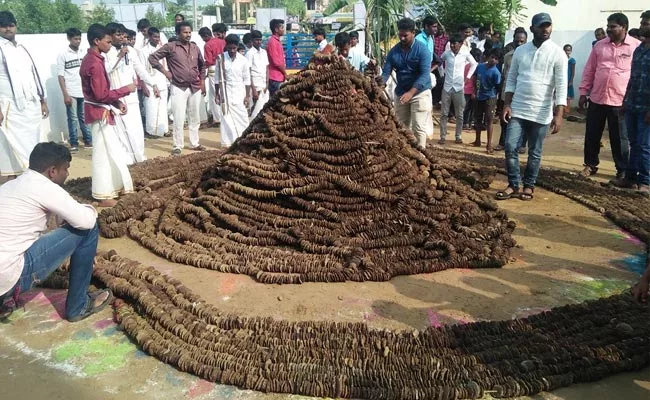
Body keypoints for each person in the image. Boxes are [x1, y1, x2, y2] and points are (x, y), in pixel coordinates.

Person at [0, 142, 112, 322]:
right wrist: (89, 210)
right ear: (52, 171)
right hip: (7, 275)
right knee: (89, 229)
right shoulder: (45, 187)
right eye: (65, 169)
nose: (67, 174)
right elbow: (86, 220)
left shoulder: (11, 186)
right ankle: (78, 306)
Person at [497, 13, 567, 202]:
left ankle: (529, 186)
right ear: (532, 29)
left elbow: (561, 86)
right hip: (518, 108)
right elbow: (511, 79)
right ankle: (513, 184)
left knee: (534, 152)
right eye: (541, 26)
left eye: (548, 26)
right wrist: (507, 104)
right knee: (510, 146)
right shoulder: (521, 51)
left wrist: (558, 114)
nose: (545, 29)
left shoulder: (558, 53)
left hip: (541, 112)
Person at [80, 23, 136, 206]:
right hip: (99, 112)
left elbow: (103, 92)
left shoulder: (95, 60)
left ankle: (111, 189)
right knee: (103, 154)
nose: (110, 45)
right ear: (97, 41)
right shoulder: (94, 63)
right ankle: (103, 194)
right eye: (108, 41)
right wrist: (125, 90)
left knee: (111, 151)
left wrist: (116, 102)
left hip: (101, 109)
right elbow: (100, 95)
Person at [578, 13, 640, 179]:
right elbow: (589, 70)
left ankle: (622, 170)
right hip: (597, 98)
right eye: (608, 26)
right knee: (592, 134)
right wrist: (584, 92)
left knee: (619, 138)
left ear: (624, 27)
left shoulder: (636, 47)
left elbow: (638, 74)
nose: (609, 29)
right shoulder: (599, 46)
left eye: (613, 26)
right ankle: (590, 165)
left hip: (620, 101)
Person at [0, 11, 48, 179]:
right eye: (4, 26)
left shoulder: (22, 48)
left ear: (16, 26)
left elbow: (34, 74)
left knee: (34, 143)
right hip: (10, 107)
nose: (8, 29)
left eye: (11, 25)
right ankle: (16, 182)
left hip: (30, 106)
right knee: (11, 147)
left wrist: (43, 100)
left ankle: (32, 177)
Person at [104, 22, 158, 164]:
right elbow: (106, 70)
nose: (122, 37)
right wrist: (119, 57)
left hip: (131, 96)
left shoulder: (130, 51)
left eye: (123, 34)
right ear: (110, 36)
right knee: (121, 132)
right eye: (118, 34)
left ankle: (140, 159)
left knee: (136, 130)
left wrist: (152, 84)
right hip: (116, 97)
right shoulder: (106, 53)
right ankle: (128, 162)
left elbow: (140, 69)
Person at [150, 21, 206, 155]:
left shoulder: (195, 47)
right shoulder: (170, 46)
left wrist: (202, 81)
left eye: (189, 32)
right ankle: (177, 145)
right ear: (178, 33)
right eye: (185, 32)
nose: (188, 35)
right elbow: (152, 58)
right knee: (179, 117)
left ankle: (194, 143)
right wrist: (165, 72)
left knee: (195, 117)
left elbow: (202, 65)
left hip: (194, 86)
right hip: (178, 87)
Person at [382, 18, 432, 148]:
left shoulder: (422, 50)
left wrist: (411, 93)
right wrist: (380, 84)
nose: (402, 38)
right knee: (401, 127)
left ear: (413, 33)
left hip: (420, 92)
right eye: (400, 35)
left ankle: (422, 156)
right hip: (401, 92)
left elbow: (424, 74)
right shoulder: (394, 52)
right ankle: (406, 154)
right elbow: (386, 72)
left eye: (406, 35)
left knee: (418, 127)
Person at [615, 13, 650, 194]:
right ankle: (630, 179)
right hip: (632, 104)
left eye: (645, 23)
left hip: (647, 108)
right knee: (634, 143)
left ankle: (645, 182)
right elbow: (633, 78)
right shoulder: (640, 49)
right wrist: (624, 101)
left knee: (644, 146)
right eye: (642, 23)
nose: (642, 26)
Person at [438, 34, 478, 144]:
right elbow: (439, 63)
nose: (452, 46)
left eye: (454, 44)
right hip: (447, 87)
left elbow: (474, 64)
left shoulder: (465, 54)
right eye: (451, 44)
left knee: (460, 114)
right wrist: (442, 74)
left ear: (460, 44)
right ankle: (442, 136)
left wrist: (467, 77)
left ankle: (458, 136)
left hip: (459, 87)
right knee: (444, 114)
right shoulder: (447, 54)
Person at [57, 27, 91, 152]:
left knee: (84, 117)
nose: (78, 41)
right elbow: (60, 76)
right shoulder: (63, 54)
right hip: (71, 91)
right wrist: (65, 94)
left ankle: (88, 140)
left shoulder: (84, 52)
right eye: (75, 39)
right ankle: (74, 143)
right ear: (69, 39)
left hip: (83, 90)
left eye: (79, 38)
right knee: (73, 118)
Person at [216, 34, 251, 147]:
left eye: (234, 48)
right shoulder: (221, 58)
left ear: (237, 47)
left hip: (239, 92)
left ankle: (243, 141)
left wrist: (247, 96)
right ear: (226, 46)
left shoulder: (243, 60)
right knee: (226, 118)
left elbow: (247, 79)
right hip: (225, 93)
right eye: (229, 48)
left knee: (243, 118)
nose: (232, 51)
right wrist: (217, 93)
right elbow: (217, 77)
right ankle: (227, 143)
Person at [495, 29, 527, 152]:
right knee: (505, 119)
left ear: (526, 42)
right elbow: (505, 74)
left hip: (523, 93)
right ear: (513, 40)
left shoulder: (531, 56)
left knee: (523, 119)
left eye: (522, 41)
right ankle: (502, 143)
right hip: (507, 91)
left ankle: (522, 144)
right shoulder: (508, 56)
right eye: (517, 41)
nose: (519, 44)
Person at [139, 27, 169, 138]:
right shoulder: (143, 51)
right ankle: (152, 131)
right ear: (149, 37)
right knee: (151, 107)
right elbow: (141, 69)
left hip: (162, 81)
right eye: (155, 37)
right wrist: (144, 86)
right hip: (150, 82)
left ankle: (164, 129)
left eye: (158, 37)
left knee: (163, 108)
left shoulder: (162, 49)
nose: (157, 39)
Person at [473, 48, 501, 153]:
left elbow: (498, 87)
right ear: (488, 57)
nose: (493, 60)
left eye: (496, 59)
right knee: (478, 119)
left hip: (490, 98)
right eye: (492, 57)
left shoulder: (496, 73)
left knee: (489, 120)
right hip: (479, 96)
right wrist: (475, 91)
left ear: (498, 61)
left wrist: (496, 100)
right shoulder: (480, 67)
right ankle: (477, 140)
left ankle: (489, 144)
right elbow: (476, 78)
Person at [201, 26, 225, 128]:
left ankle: (217, 118)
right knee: (222, 91)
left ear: (205, 36)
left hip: (213, 68)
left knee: (214, 94)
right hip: (223, 67)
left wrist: (203, 65)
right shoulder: (222, 42)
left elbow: (210, 61)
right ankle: (223, 114)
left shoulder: (207, 45)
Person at [246, 30, 269, 119]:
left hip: (264, 84)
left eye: (260, 40)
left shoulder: (264, 52)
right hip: (255, 84)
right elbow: (248, 72)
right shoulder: (249, 53)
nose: (259, 42)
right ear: (252, 40)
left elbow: (267, 68)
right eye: (256, 40)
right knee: (255, 109)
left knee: (264, 108)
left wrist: (267, 84)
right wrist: (253, 89)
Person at [462, 48, 480, 131]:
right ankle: (468, 122)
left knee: (466, 108)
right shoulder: (478, 66)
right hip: (471, 90)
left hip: (465, 90)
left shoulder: (466, 66)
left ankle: (465, 123)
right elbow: (476, 81)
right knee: (471, 108)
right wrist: (475, 91)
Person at [267, 19, 286, 96]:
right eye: (281, 27)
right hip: (275, 78)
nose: (283, 29)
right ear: (276, 29)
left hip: (279, 77)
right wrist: (285, 73)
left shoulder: (277, 41)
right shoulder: (272, 42)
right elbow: (276, 62)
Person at [432, 24, 449, 106]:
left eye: (442, 29)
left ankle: (437, 100)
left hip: (442, 63)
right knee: (433, 81)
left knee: (441, 82)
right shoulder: (432, 38)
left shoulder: (446, 38)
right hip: (433, 63)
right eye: (440, 29)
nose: (441, 30)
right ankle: (433, 100)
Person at [564, 44, 576, 111]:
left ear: (571, 51)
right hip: (562, 79)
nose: (567, 52)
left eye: (568, 50)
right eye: (566, 50)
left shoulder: (572, 60)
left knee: (568, 95)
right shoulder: (561, 59)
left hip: (568, 79)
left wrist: (571, 81)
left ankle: (566, 109)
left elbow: (573, 72)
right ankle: (560, 109)